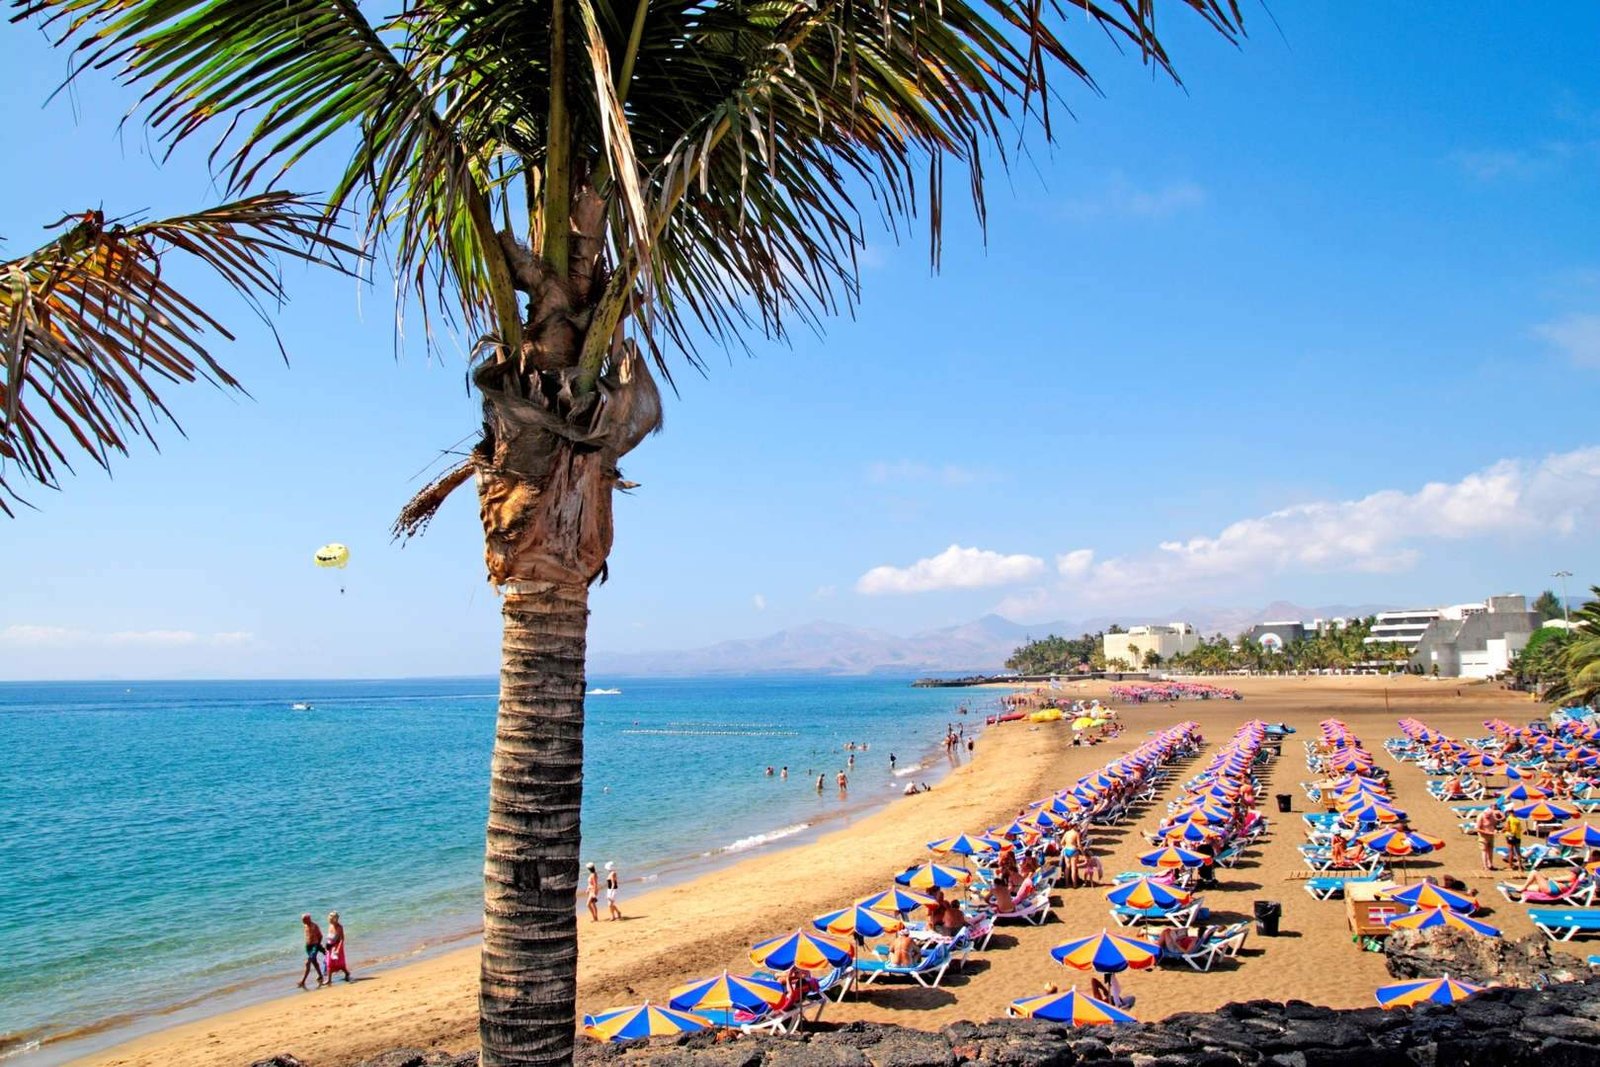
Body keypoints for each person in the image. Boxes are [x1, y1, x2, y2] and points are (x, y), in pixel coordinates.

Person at [298, 913, 326, 989]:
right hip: (308, 947)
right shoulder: (305, 925)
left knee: (308, 962)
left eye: (304, 919)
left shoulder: (315, 926)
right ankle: (320, 976)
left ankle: (303, 981)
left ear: (308, 919)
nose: (302, 921)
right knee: (314, 962)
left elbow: (320, 936)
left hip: (314, 946)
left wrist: (318, 945)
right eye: (302, 920)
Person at [325, 911, 352, 983]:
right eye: (329, 919)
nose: (329, 920)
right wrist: (327, 946)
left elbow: (342, 939)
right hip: (330, 946)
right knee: (329, 963)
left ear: (335, 919)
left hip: (336, 947)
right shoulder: (330, 925)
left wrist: (338, 949)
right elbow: (329, 936)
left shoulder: (339, 927)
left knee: (339, 964)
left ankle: (346, 973)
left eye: (331, 919)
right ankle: (329, 979)